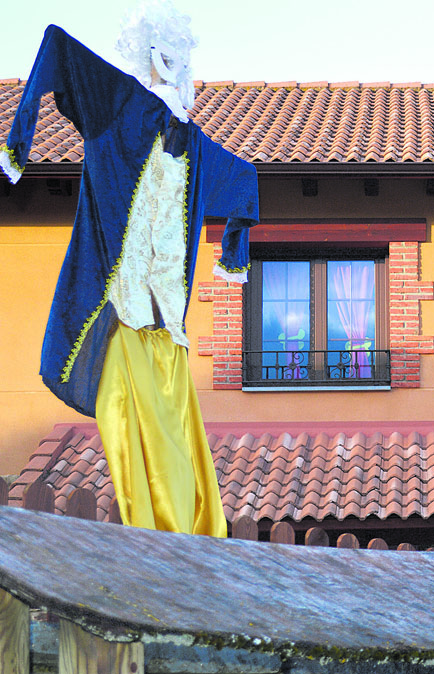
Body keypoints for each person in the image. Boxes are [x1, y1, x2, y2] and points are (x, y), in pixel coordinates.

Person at [1, 1, 258, 536]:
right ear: (156, 56)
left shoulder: (200, 149)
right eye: (176, 55)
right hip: (119, 311)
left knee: (178, 441)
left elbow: (245, 180)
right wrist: (18, 139)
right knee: (124, 424)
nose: (185, 66)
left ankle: (191, 544)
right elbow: (57, 47)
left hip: (168, 327)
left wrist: (235, 248)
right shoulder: (120, 105)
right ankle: (163, 545)